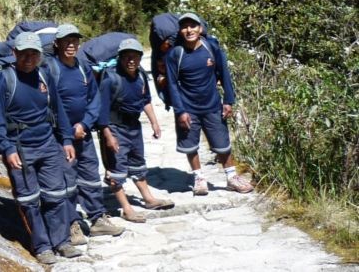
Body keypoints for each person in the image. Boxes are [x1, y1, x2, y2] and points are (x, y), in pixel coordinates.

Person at [0, 31, 82, 265]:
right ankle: (42, 247)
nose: (29, 58)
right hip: (20, 147)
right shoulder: (3, 80)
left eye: (34, 54)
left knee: (56, 195)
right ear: (14, 53)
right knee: (30, 201)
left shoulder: (44, 75)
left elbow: (58, 110)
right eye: (24, 54)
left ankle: (62, 242)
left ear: (40, 55)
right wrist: (7, 148)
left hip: (48, 143)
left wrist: (67, 140)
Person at [44, 24, 124, 244]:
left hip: (84, 134)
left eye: (75, 41)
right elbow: (50, 104)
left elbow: (94, 99)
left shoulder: (83, 67)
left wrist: (85, 125)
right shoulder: (51, 68)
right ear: (56, 44)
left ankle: (98, 219)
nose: (71, 45)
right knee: (67, 181)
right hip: (61, 137)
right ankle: (72, 225)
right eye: (66, 41)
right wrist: (68, 131)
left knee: (90, 177)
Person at [165, 13, 252, 195]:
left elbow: (224, 74)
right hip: (188, 108)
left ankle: (231, 177)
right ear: (180, 31)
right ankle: (199, 178)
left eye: (193, 26)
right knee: (191, 145)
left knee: (222, 144)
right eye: (185, 27)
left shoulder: (211, 47)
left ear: (200, 29)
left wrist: (228, 100)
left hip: (212, 105)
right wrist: (180, 111)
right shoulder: (175, 54)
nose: (189, 30)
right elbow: (172, 84)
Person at [101, 38, 175, 222]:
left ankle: (148, 198)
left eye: (134, 57)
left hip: (134, 127)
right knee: (116, 170)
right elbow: (100, 112)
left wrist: (154, 123)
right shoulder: (110, 78)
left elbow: (146, 100)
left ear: (140, 58)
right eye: (126, 57)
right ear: (120, 58)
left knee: (138, 164)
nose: (130, 61)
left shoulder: (141, 75)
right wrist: (108, 136)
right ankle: (126, 208)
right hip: (114, 128)